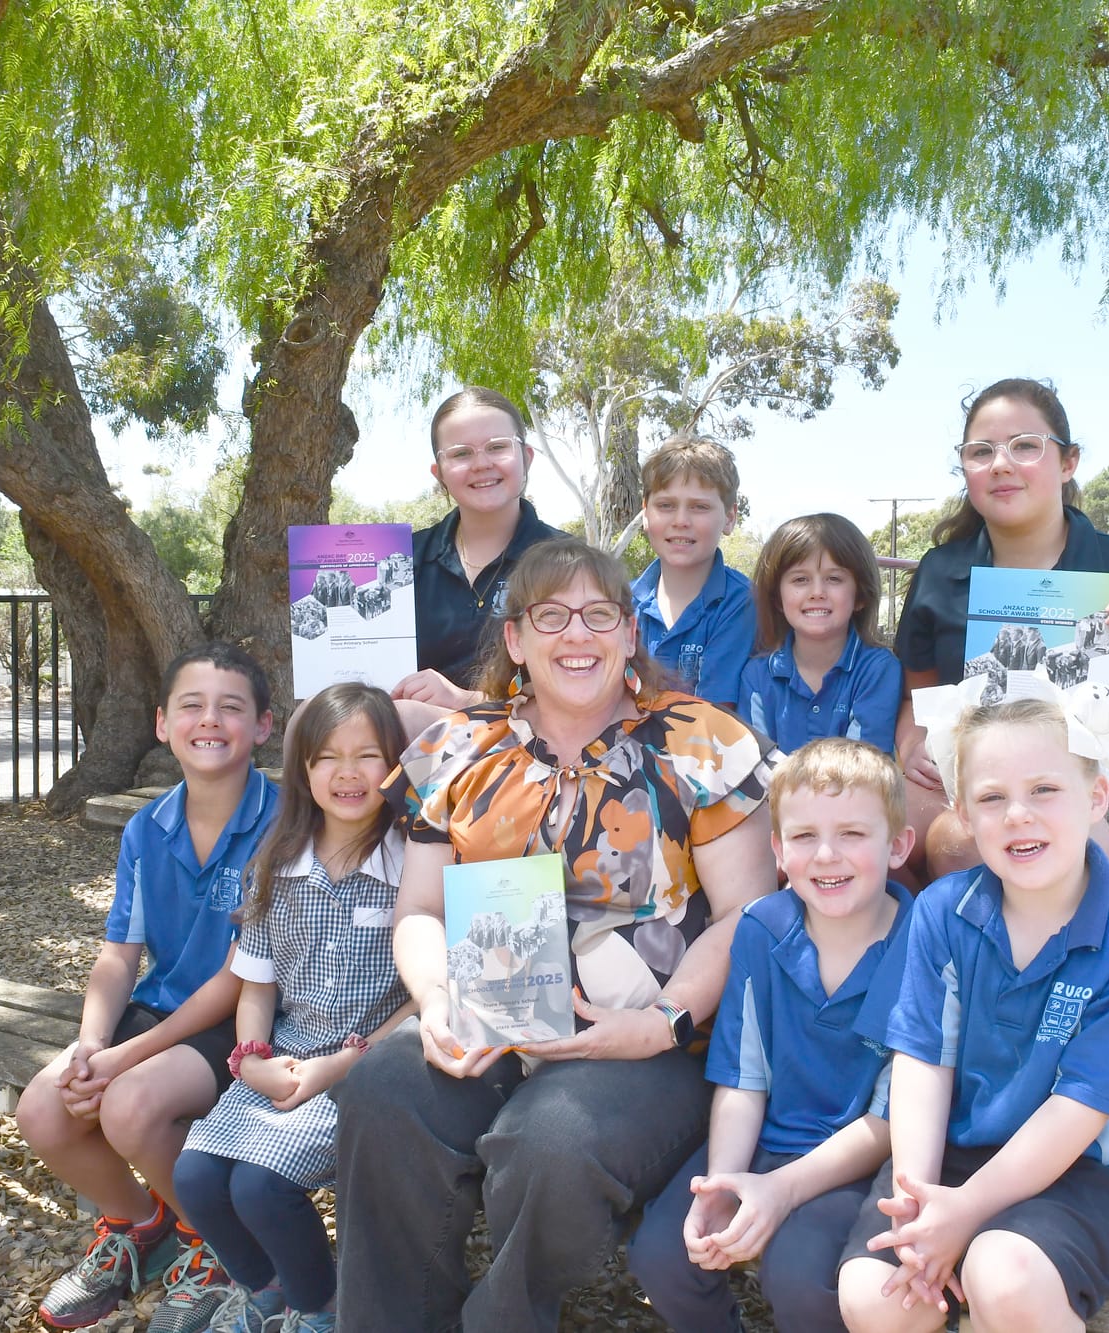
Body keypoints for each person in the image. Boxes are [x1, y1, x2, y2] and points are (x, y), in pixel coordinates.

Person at [330, 538, 781, 1333]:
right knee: (383, 1088)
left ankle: (502, 1320)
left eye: (599, 614)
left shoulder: (700, 743)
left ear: (631, 632)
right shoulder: (456, 749)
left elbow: (750, 910)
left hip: (654, 1041)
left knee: (551, 1141)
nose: (578, 634)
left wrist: (661, 1021)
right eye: (551, 616)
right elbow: (422, 911)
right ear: (515, 639)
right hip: (491, 1015)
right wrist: (434, 999)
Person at [836, 687, 1109, 1333]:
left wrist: (967, 1210)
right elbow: (921, 1063)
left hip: (1086, 1173)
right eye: (992, 796)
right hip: (951, 1153)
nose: (1018, 814)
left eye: (1045, 790)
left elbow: (1078, 1114)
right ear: (963, 813)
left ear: (1096, 796)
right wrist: (921, 1203)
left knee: (1001, 1276)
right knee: (877, 1297)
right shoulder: (942, 913)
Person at [16, 643, 277, 1331]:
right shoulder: (146, 828)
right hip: (162, 1011)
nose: (209, 719)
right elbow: (117, 955)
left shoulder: (282, 824)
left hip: (248, 1019)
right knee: (45, 1108)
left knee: (127, 1106)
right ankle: (139, 1225)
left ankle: (213, 1243)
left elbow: (236, 978)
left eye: (231, 706)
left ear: (264, 726)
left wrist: (121, 1059)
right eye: (191, 704)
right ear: (163, 723)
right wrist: (90, 1043)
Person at [627, 738, 916, 1332]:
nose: (827, 855)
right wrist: (726, 1183)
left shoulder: (922, 944)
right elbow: (743, 1079)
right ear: (779, 851)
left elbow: (892, 1119)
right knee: (665, 1255)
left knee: (804, 1280)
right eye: (804, 837)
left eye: (854, 834)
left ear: (899, 846)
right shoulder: (761, 927)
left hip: (860, 1159)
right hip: (764, 1139)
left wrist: (777, 1190)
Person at [893, 378, 1109, 879]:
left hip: (1094, 788)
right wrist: (911, 746)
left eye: (1026, 446)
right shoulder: (940, 573)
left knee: (1003, 850)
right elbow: (915, 698)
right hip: (965, 777)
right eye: (981, 452)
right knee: (874, 837)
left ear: (1068, 462)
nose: (1001, 463)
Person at [170, 683, 416, 1333]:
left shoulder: (416, 866)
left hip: (367, 1068)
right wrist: (250, 1061)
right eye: (327, 756)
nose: (347, 772)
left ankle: (322, 1306)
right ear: (303, 770)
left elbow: (426, 992)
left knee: (260, 1186)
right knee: (195, 1177)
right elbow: (257, 985)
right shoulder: (276, 866)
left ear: (395, 764)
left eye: (368, 754)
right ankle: (268, 1287)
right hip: (282, 1061)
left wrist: (341, 1065)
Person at [392, 387, 565, 729]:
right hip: (401, 747)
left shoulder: (567, 562)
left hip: (531, 739)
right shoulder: (396, 562)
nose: (482, 464)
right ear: (438, 472)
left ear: (526, 457)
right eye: (461, 454)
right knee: (310, 718)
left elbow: (583, 679)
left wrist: (465, 700)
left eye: (498, 447)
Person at [738, 513, 903, 755]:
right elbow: (755, 767)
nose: (817, 592)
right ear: (777, 598)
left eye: (834, 579)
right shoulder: (757, 676)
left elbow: (863, 769)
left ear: (860, 596)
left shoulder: (877, 669)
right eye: (800, 579)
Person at [631, 436, 755, 704]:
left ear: (730, 518)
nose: (681, 521)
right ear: (645, 513)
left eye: (700, 507)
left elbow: (715, 716)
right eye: (666, 505)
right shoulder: (621, 602)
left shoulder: (744, 604)